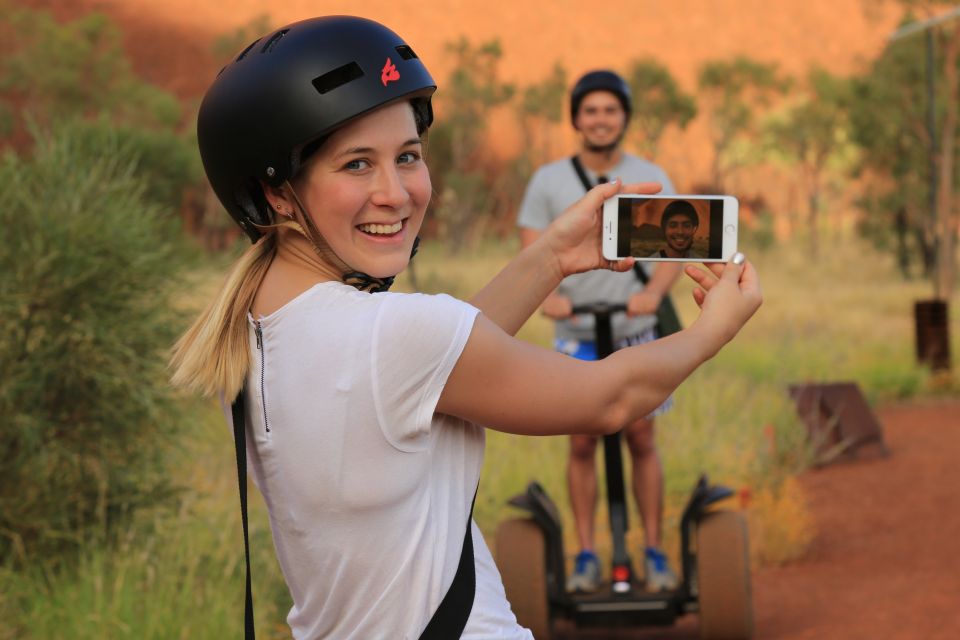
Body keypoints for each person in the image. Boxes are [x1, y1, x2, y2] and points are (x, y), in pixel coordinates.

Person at [171, 17, 762, 639]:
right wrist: (710, 332)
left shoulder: (253, 332)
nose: (395, 193)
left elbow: (437, 363)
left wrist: (553, 257)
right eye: (356, 165)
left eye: (407, 157)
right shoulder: (390, 336)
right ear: (279, 193)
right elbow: (610, 398)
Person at [517, 70, 686, 593]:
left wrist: (653, 295)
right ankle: (587, 554)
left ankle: (655, 552)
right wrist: (549, 299)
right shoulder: (548, 181)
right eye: (590, 110)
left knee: (640, 434)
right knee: (583, 439)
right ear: (576, 118)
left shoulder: (649, 173)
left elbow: (675, 247)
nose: (600, 119)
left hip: (636, 326)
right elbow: (532, 248)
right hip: (580, 329)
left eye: (610, 110)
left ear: (624, 117)